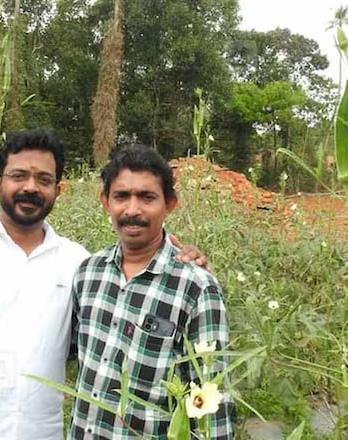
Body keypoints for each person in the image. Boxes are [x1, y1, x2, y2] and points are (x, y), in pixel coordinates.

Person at [0, 129, 207, 440]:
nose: (31, 187)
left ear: (59, 189)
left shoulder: (79, 265)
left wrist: (179, 257)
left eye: (43, 180)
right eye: (18, 176)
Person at [69, 144, 235, 439]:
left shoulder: (195, 287)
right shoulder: (88, 273)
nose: (132, 210)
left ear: (169, 203)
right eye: (121, 196)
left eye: (147, 197)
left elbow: (212, 400)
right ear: (105, 201)